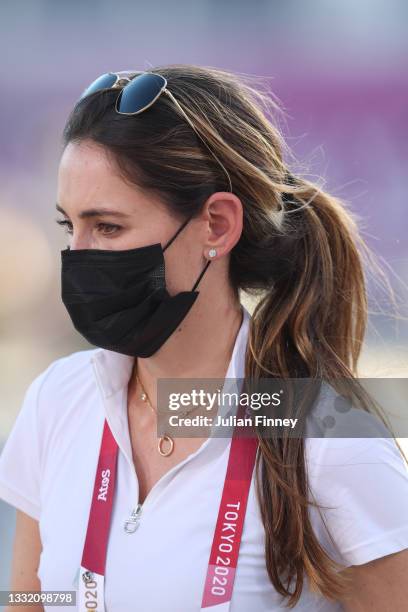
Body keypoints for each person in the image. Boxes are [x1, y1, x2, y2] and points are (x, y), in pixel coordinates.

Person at [0, 64, 408, 612]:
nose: (77, 254)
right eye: (68, 226)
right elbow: (27, 596)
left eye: (109, 227)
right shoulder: (57, 400)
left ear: (216, 225)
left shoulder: (326, 439)